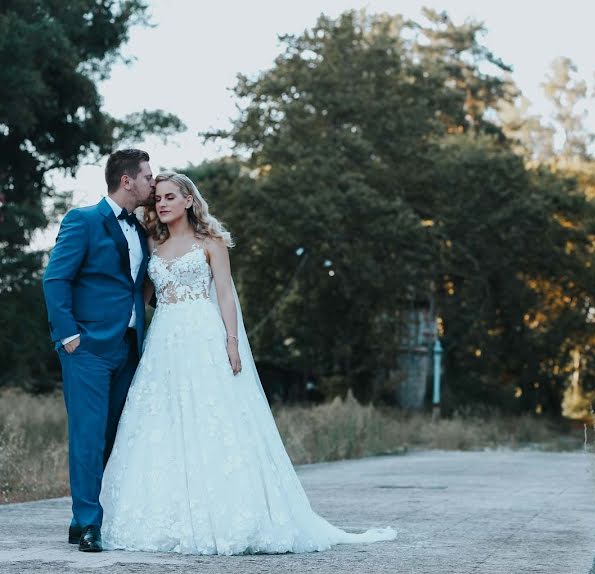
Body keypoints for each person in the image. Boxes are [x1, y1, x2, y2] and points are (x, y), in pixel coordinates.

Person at [98, 172, 397, 554]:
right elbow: (143, 296)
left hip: (203, 335)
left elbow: (224, 292)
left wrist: (232, 342)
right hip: (164, 341)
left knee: (214, 416)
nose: (162, 203)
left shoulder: (211, 243)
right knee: (162, 419)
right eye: (158, 198)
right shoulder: (153, 245)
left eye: (171, 197)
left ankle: (229, 513)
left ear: (189, 200)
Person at [42, 149, 155, 552]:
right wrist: (68, 335)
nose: (152, 183)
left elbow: (138, 286)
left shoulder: (142, 231)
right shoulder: (83, 220)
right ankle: (90, 523)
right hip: (87, 348)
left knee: (113, 436)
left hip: (128, 348)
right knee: (88, 436)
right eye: (147, 176)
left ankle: (82, 517)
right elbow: (56, 279)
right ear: (127, 181)